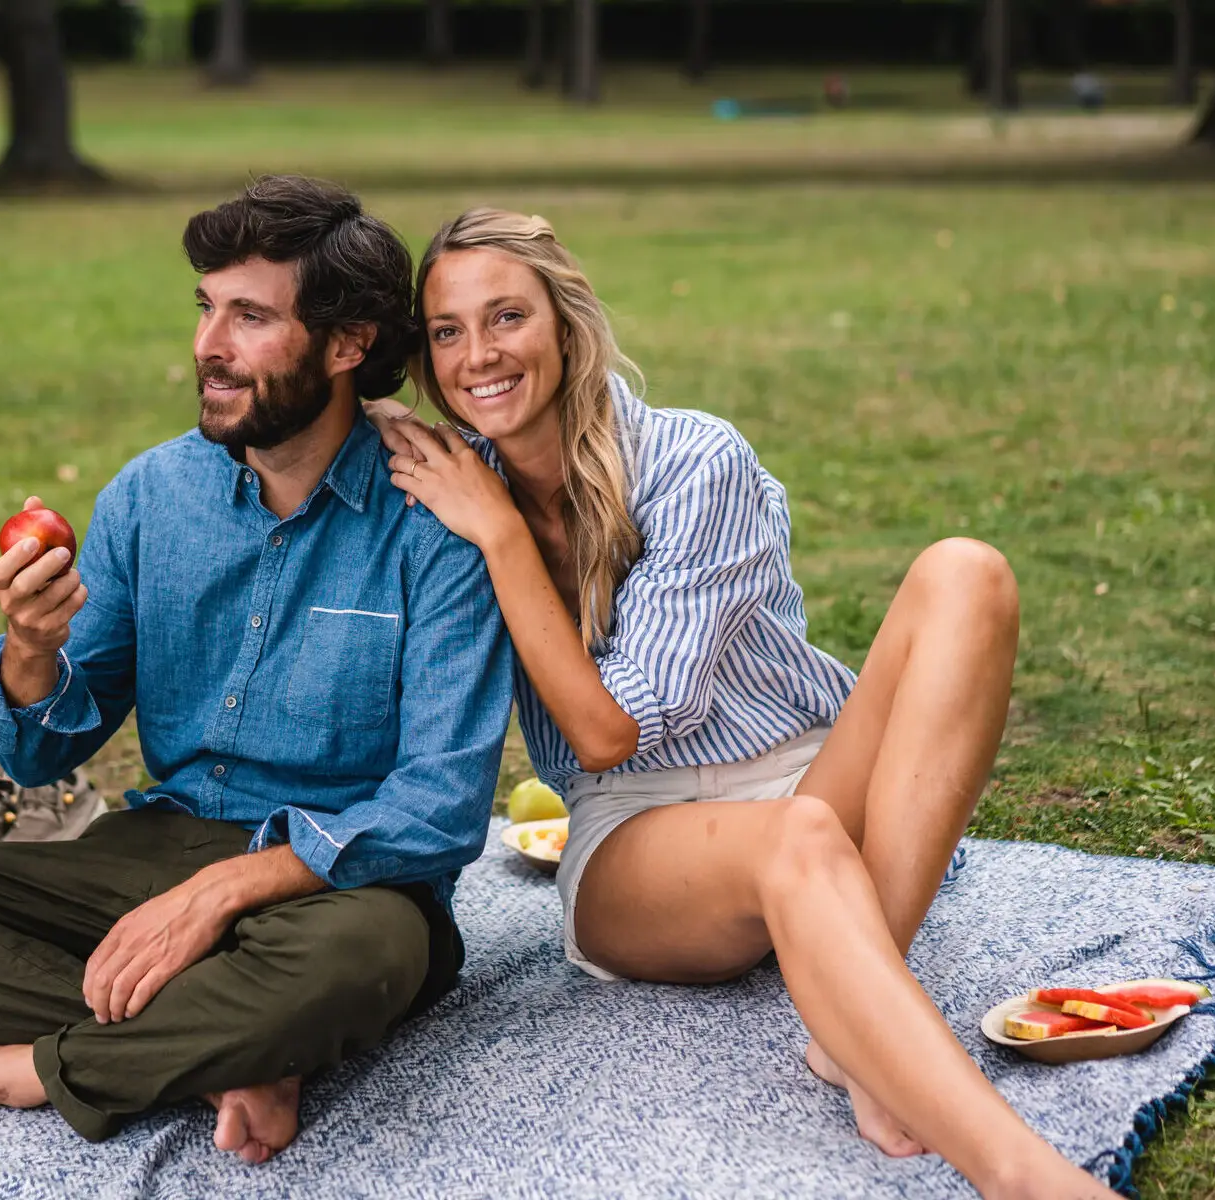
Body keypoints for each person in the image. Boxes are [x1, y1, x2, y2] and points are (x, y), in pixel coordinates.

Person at [0, 176, 515, 1165]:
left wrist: (228, 893)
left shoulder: (436, 511)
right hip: (149, 855)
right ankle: (228, 1044)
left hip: (343, 884)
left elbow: (444, 807)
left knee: (363, 960)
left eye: (250, 316)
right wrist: (31, 650)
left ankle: (14, 1068)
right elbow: (43, 753)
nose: (209, 344)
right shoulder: (154, 495)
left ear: (347, 344)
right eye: (206, 308)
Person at [366, 208, 1121, 1200]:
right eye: (450, 332)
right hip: (634, 832)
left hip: (807, 770)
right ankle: (1022, 1175)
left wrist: (501, 537)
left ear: (564, 323)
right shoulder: (456, 495)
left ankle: (853, 1035)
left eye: (506, 316)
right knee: (798, 838)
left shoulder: (691, 461)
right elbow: (603, 750)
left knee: (965, 573)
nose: (480, 354)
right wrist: (488, 520)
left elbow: (625, 710)